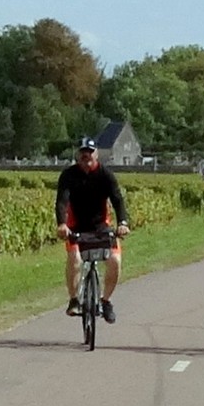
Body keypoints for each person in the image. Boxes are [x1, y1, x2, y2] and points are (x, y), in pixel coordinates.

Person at [54, 137, 130, 320]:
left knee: (115, 261)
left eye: (89, 153)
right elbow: (62, 202)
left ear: (96, 154)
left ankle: (105, 301)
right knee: (75, 259)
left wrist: (123, 223)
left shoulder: (106, 175)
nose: (86, 157)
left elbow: (117, 200)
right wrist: (62, 224)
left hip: (101, 226)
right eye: (82, 154)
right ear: (78, 156)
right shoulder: (68, 175)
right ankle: (73, 300)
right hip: (75, 227)